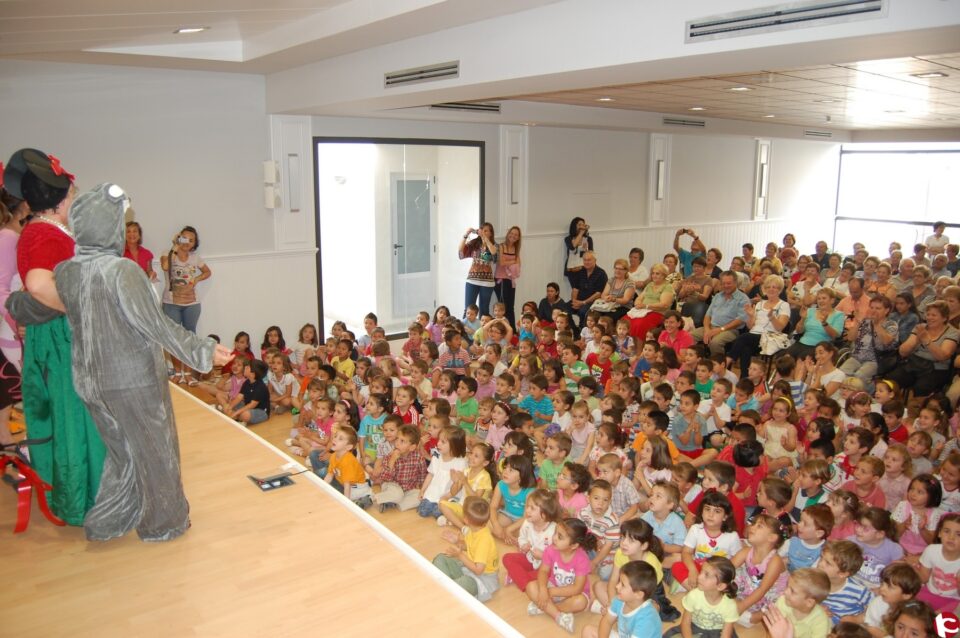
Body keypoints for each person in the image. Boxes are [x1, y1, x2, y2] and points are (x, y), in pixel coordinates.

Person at [40, 183, 230, 541]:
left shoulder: (66, 271)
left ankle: (110, 519)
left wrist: (16, 306)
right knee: (155, 452)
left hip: (89, 380)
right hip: (132, 379)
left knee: (121, 453)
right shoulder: (122, 271)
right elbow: (154, 324)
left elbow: (38, 304)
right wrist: (203, 350)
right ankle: (164, 523)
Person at [5, 148, 105, 528]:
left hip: (58, 337)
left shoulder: (43, 229)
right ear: (61, 199)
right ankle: (81, 499)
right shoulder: (44, 233)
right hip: (62, 341)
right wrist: (82, 308)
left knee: (78, 415)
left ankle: (86, 493)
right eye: (73, 195)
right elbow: (39, 284)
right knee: (74, 416)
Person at [159, 225, 211, 386]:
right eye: (184, 238)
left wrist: (196, 279)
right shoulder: (168, 254)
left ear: (195, 242)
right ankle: (176, 372)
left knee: (189, 338)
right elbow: (165, 267)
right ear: (178, 238)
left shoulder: (195, 258)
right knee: (174, 338)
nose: (187, 242)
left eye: (191, 239)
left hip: (192, 304)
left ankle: (187, 373)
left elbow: (208, 272)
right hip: (171, 303)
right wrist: (175, 247)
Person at [0, 184, 29, 446]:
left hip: (18, 322)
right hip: (12, 327)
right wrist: (18, 319)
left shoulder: (16, 236)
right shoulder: (8, 238)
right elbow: (1, 289)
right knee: (25, 389)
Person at [887, 300, 958, 398]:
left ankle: (916, 410)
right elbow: (902, 352)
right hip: (915, 364)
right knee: (892, 379)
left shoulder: (953, 332)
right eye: (928, 314)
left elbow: (943, 356)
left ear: (944, 318)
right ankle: (892, 408)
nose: (929, 318)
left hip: (936, 369)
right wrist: (917, 339)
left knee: (921, 387)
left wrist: (927, 341)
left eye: (934, 315)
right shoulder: (920, 328)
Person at [728, 274, 790, 374]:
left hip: (770, 338)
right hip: (754, 337)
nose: (771, 289)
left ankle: (728, 360)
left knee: (743, 338)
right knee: (745, 349)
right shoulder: (759, 304)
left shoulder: (784, 305)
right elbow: (750, 327)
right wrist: (751, 316)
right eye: (768, 287)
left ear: (780, 289)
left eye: (774, 287)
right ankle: (745, 378)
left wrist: (772, 318)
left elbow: (780, 327)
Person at [691, 271, 750, 358]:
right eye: (723, 283)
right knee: (689, 336)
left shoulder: (743, 299)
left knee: (715, 343)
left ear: (736, 283)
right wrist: (707, 329)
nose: (726, 286)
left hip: (730, 330)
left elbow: (740, 321)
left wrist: (720, 329)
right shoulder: (718, 296)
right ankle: (696, 362)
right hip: (711, 327)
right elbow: (708, 315)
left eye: (729, 283)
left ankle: (718, 366)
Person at [459, 222, 498, 319]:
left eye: (486, 231)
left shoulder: (494, 245)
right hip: (472, 280)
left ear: (491, 233)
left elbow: (494, 255)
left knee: (484, 311)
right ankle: (465, 332)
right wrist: (466, 235)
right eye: (482, 230)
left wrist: (485, 239)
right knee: (468, 309)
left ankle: (483, 332)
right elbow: (461, 252)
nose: (483, 232)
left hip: (487, 282)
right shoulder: (475, 244)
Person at [628, 263, 675, 341]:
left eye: (657, 274)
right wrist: (637, 303)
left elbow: (664, 304)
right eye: (653, 273)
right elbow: (640, 298)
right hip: (643, 310)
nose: (654, 275)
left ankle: (639, 350)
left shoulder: (668, 287)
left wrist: (645, 306)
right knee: (625, 321)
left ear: (664, 275)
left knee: (639, 324)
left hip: (658, 313)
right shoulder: (650, 285)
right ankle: (628, 347)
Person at [570, 251, 608, 328]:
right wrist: (574, 301)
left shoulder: (601, 273)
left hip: (593, 302)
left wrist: (583, 303)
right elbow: (575, 289)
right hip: (579, 301)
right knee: (563, 309)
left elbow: (598, 293)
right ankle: (574, 330)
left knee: (583, 311)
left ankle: (583, 332)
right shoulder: (580, 272)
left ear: (595, 260)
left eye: (589, 260)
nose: (586, 262)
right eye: (585, 260)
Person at [494, 225, 521, 328]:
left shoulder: (516, 249)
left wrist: (508, 262)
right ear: (508, 234)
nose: (513, 236)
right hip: (501, 280)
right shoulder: (501, 246)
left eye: (516, 235)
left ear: (518, 237)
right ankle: (502, 330)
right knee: (502, 307)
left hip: (511, 280)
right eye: (512, 233)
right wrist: (513, 261)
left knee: (510, 307)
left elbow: (518, 264)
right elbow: (501, 262)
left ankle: (512, 330)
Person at [564, 217, 593, 290]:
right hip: (571, 271)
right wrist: (581, 233)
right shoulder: (568, 239)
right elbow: (572, 247)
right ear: (574, 226)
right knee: (575, 291)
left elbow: (591, 254)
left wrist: (586, 250)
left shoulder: (588, 239)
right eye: (579, 224)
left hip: (583, 269)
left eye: (583, 225)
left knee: (583, 291)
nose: (582, 226)